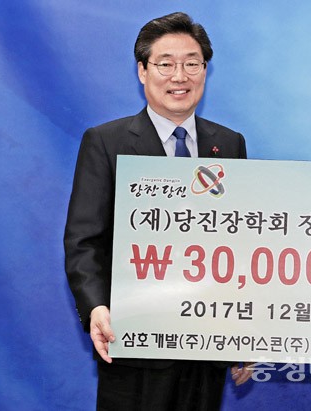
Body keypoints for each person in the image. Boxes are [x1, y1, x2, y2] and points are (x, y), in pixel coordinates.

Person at [64, 12, 252, 410]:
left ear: (205, 70)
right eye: (165, 64)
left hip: (207, 344)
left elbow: (240, 244)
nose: (179, 76)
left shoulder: (229, 143)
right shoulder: (106, 142)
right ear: (142, 70)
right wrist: (97, 307)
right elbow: (83, 241)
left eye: (192, 63)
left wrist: (245, 331)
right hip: (134, 342)